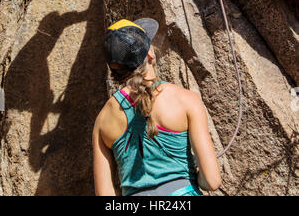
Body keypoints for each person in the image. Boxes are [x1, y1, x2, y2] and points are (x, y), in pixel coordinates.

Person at [92, 18, 221, 196]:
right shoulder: (184, 100)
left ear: (115, 70)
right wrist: (192, 177)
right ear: (150, 54)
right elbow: (212, 181)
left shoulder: (103, 119)